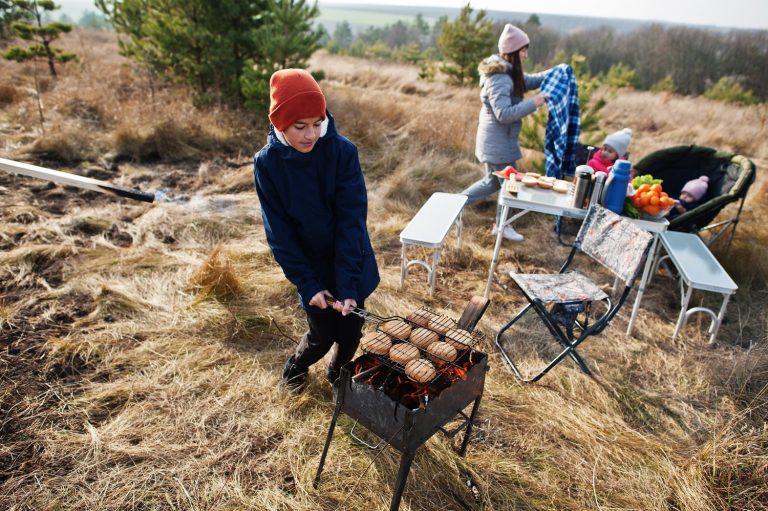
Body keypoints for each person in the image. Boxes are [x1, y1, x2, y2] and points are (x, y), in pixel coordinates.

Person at [254, 69, 380, 393]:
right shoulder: (267, 165)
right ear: (280, 123)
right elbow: (279, 233)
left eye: (317, 123)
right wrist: (309, 284)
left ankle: (338, 374)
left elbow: (351, 221)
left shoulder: (342, 152)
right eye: (300, 126)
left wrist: (349, 285)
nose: (311, 134)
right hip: (310, 263)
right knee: (322, 336)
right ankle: (296, 365)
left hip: (350, 257)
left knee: (351, 333)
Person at [463, 23, 550, 242]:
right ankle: (502, 226)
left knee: (492, 182)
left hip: (499, 141)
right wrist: (535, 102)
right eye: (523, 50)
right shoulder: (499, 77)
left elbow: (528, 81)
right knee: (512, 186)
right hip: (498, 144)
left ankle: (452, 204)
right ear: (512, 51)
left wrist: (554, 72)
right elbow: (503, 114)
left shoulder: (509, 72)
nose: (526, 55)